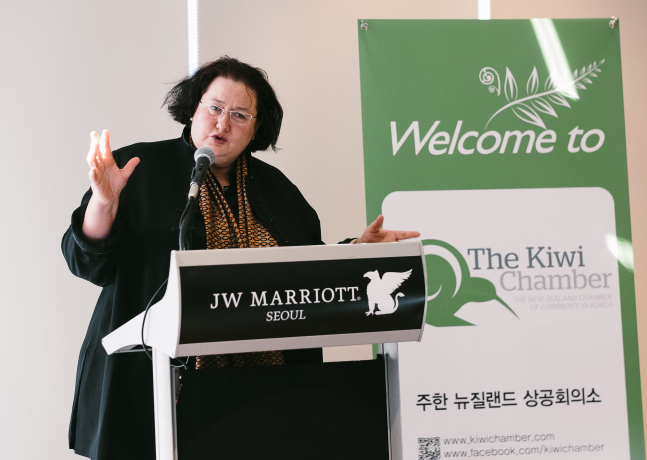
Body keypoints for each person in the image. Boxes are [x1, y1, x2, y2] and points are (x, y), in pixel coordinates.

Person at [62, 56, 419, 460]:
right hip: (149, 385)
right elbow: (87, 263)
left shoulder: (278, 189)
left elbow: (307, 272)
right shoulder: (139, 169)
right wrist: (104, 202)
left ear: (255, 129)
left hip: (261, 392)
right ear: (194, 108)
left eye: (239, 115)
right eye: (214, 108)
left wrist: (357, 255)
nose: (222, 124)